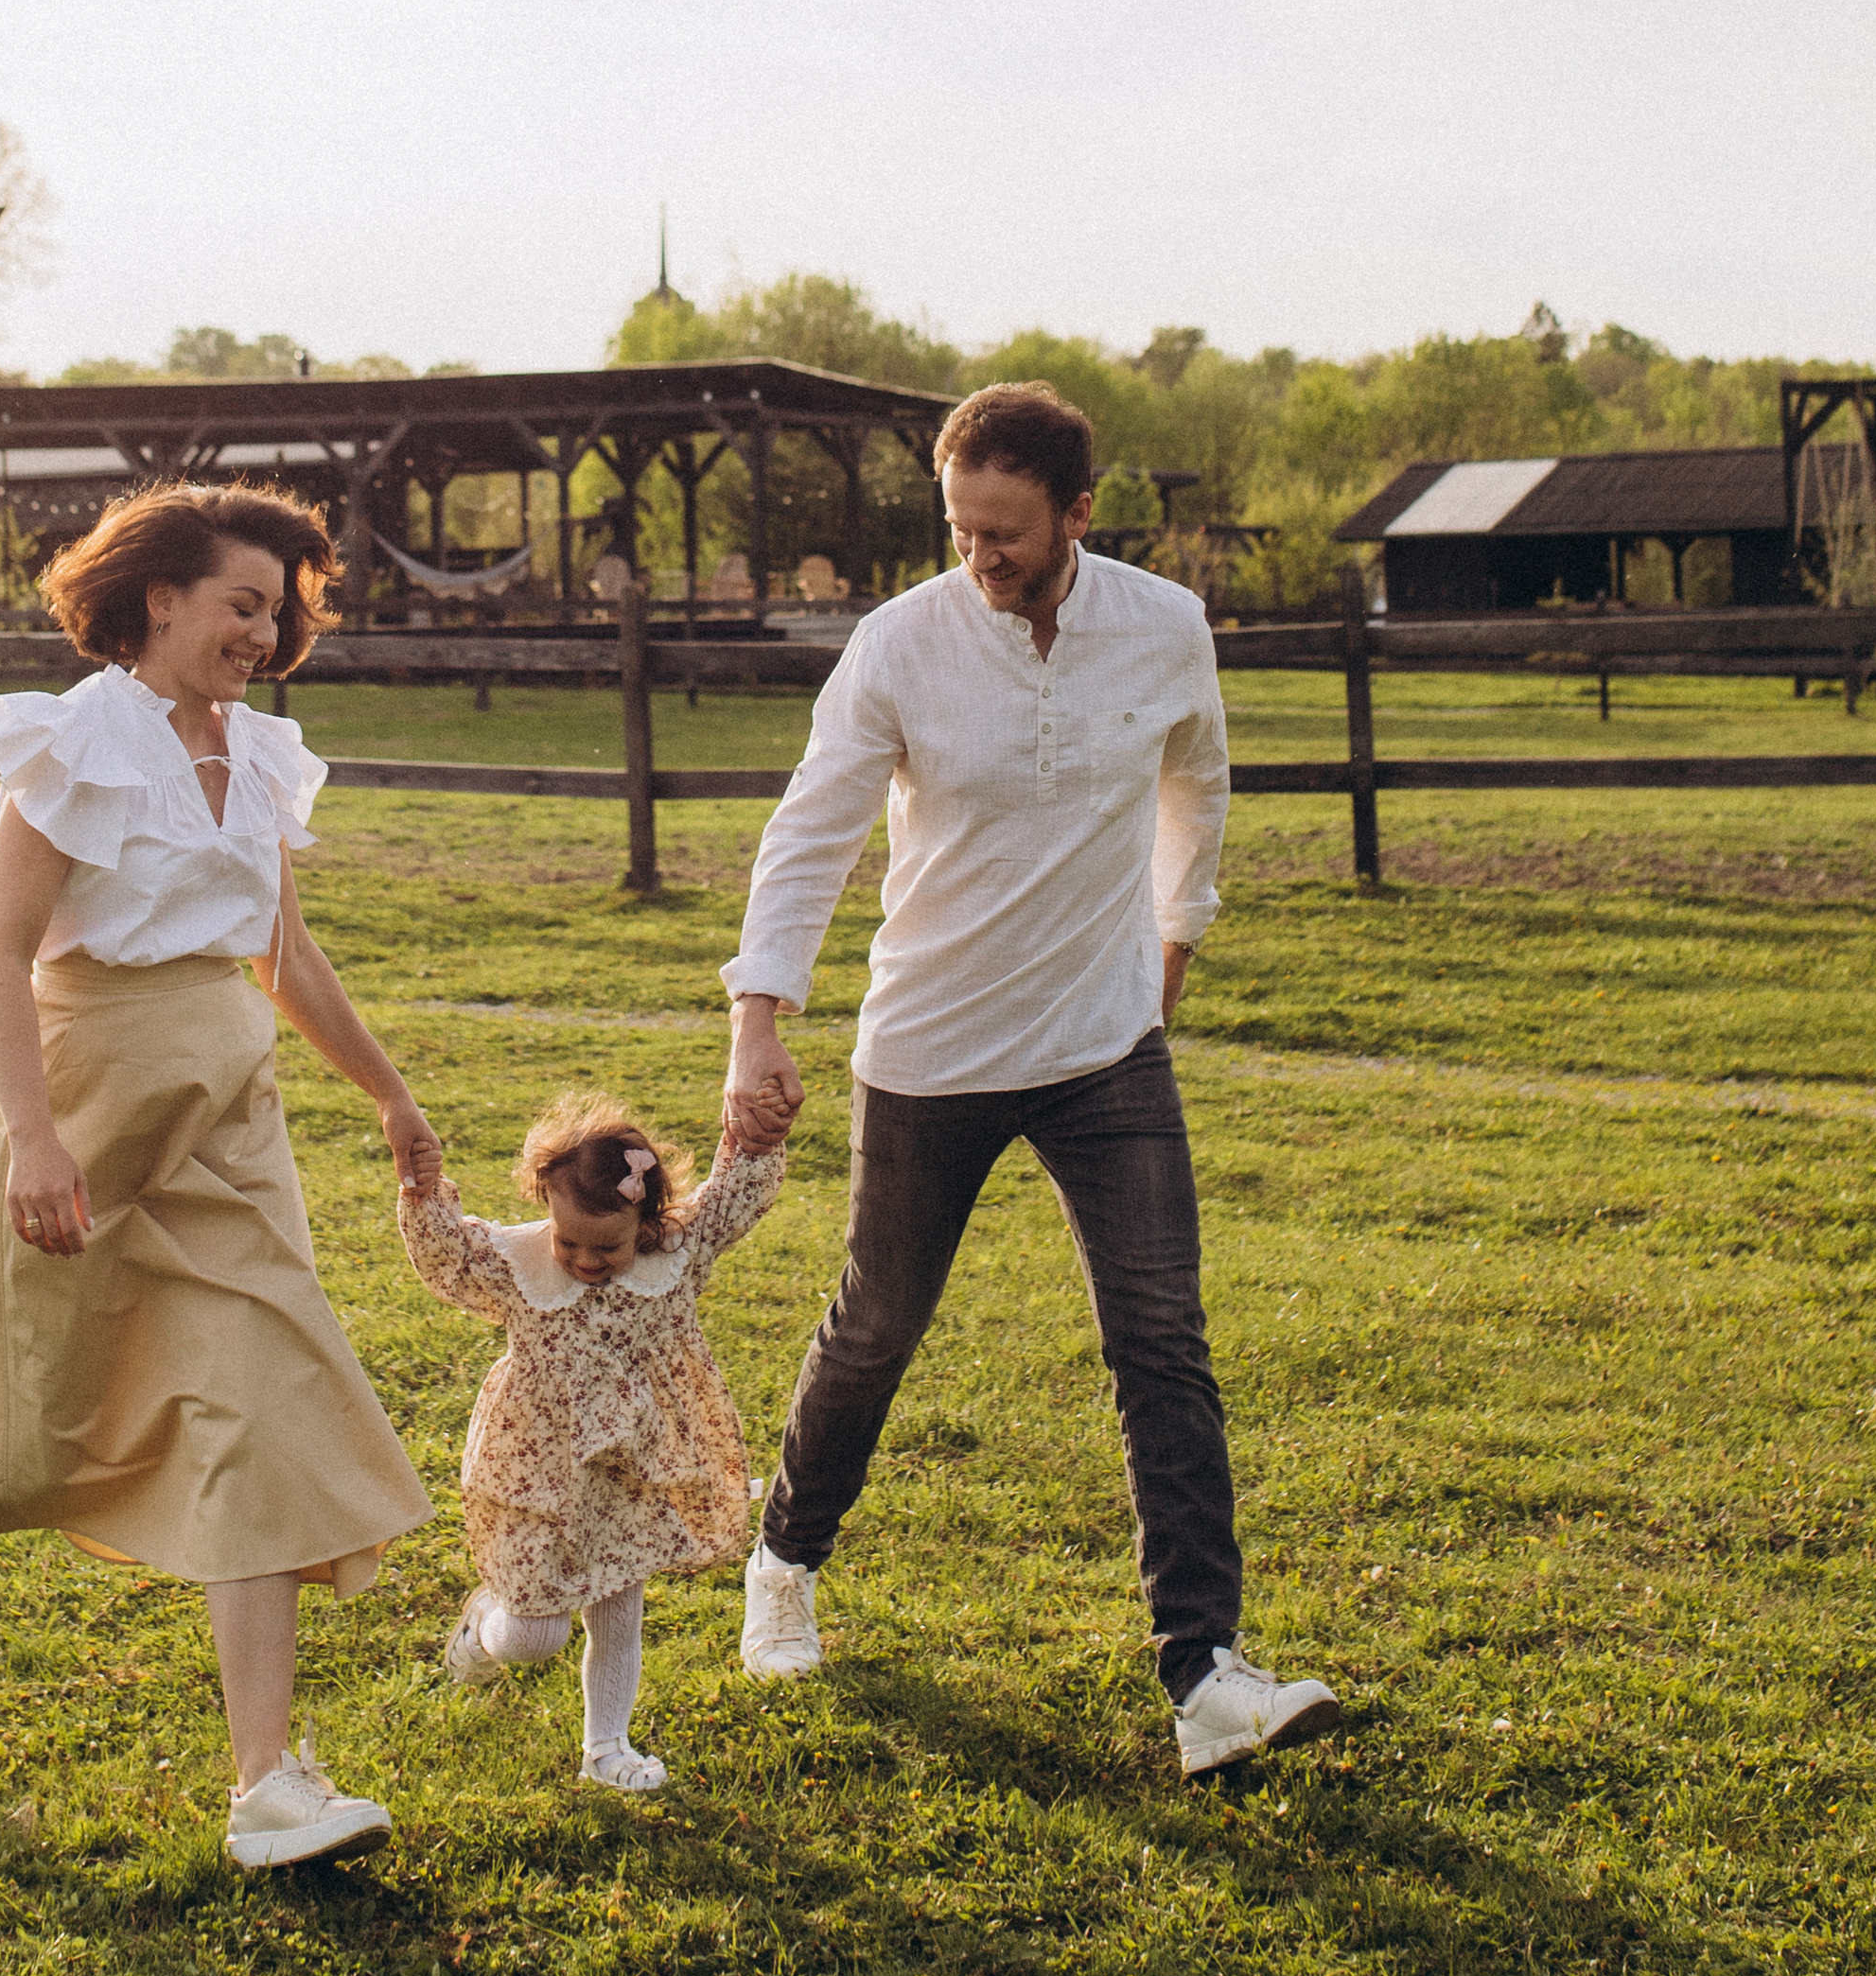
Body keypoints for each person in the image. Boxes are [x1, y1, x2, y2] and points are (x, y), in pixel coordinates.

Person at [0, 481, 440, 1871]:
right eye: (241, 604)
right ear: (160, 600)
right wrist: (31, 1135)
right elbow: (0, 952)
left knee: (261, 1404)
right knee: (37, 1405)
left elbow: (286, 955)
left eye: (281, 611)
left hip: (229, 1120)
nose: (264, 635)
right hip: (89, 1096)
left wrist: (389, 1097)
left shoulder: (264, 754)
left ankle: (267, 1781)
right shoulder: (76, 741)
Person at [719, 382, 1340, 1779]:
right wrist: (760, 1021)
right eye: (959, 528)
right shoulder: (900, 647)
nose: (978, 556)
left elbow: (1200, 779)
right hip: (933, 1050)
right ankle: (785, 1563)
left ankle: (1208, 1679)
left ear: (1075, 515)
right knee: (876, 1326)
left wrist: (1178, 931)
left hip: (1103, 1050)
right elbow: (810, 834)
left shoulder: (1166, 627)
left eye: (1003, 532)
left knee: (1161, 1340)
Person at [398, 1092, 784, 1792]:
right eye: (568, 1239)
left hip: (630, 1471)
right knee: (535, 1637)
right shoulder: (520, 1267)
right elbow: (448, 1257)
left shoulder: (675, 1257)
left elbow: (734, 1197)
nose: (584, 1258)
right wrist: (423, 1190)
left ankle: (606, 1749)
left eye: (606, 1245)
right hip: (534, 1473)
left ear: (646, 1219)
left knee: (617, 1611)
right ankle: (486, 1622)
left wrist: (755, 1134)